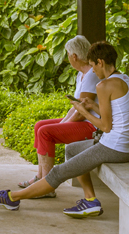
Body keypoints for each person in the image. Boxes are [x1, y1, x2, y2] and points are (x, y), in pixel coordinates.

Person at [0, 40, 129, 217]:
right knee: (71, 150)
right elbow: (121, 114)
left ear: (100, 62)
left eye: (93, 65)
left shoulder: (104, 85)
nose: (93, 70)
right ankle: (90, 200)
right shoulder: (127, 79)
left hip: (114, 147)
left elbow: (106, 126)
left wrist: (82, 112)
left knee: (58, 172)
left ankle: (12, 197)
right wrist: (92, 107)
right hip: (125, 144)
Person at [23, 36, 101, 197]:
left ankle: (47, 186)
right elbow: (75, 107)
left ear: (74, 56)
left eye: (67, 54)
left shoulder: (92, 75)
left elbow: (81, 111)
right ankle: (40, 177)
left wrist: (62, 126)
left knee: (46, 132)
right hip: (83, 121)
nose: (67, 58)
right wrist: (63, 123)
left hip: (92, 125)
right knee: (40, 126)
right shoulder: (82, 74)